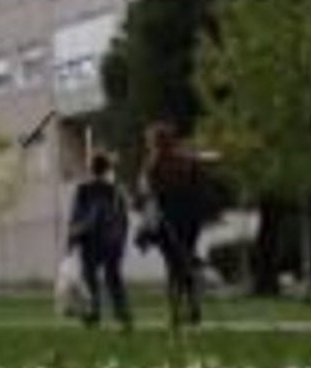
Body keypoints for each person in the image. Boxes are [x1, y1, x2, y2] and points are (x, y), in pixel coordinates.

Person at [138, 122, 207, 328]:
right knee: (185, 263)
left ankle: (175, 313)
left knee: (173, 267)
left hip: (168, 220)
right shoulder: (187, 161)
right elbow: (198, 186)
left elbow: (149, 193)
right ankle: (193, 307)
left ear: (155, 142)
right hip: (190, 219)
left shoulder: (154, 164)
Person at [66, 153, 131, 330]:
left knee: (89, 280)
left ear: (91, 168)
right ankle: (122, 314)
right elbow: (123, 218)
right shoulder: (115, 189)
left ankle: (92, 315)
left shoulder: (83, 189)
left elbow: (76, 215)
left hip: (90, 240)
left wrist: (71, 239)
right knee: (114, 279)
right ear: (106, 169)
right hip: (112, 241)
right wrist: (122, 239)